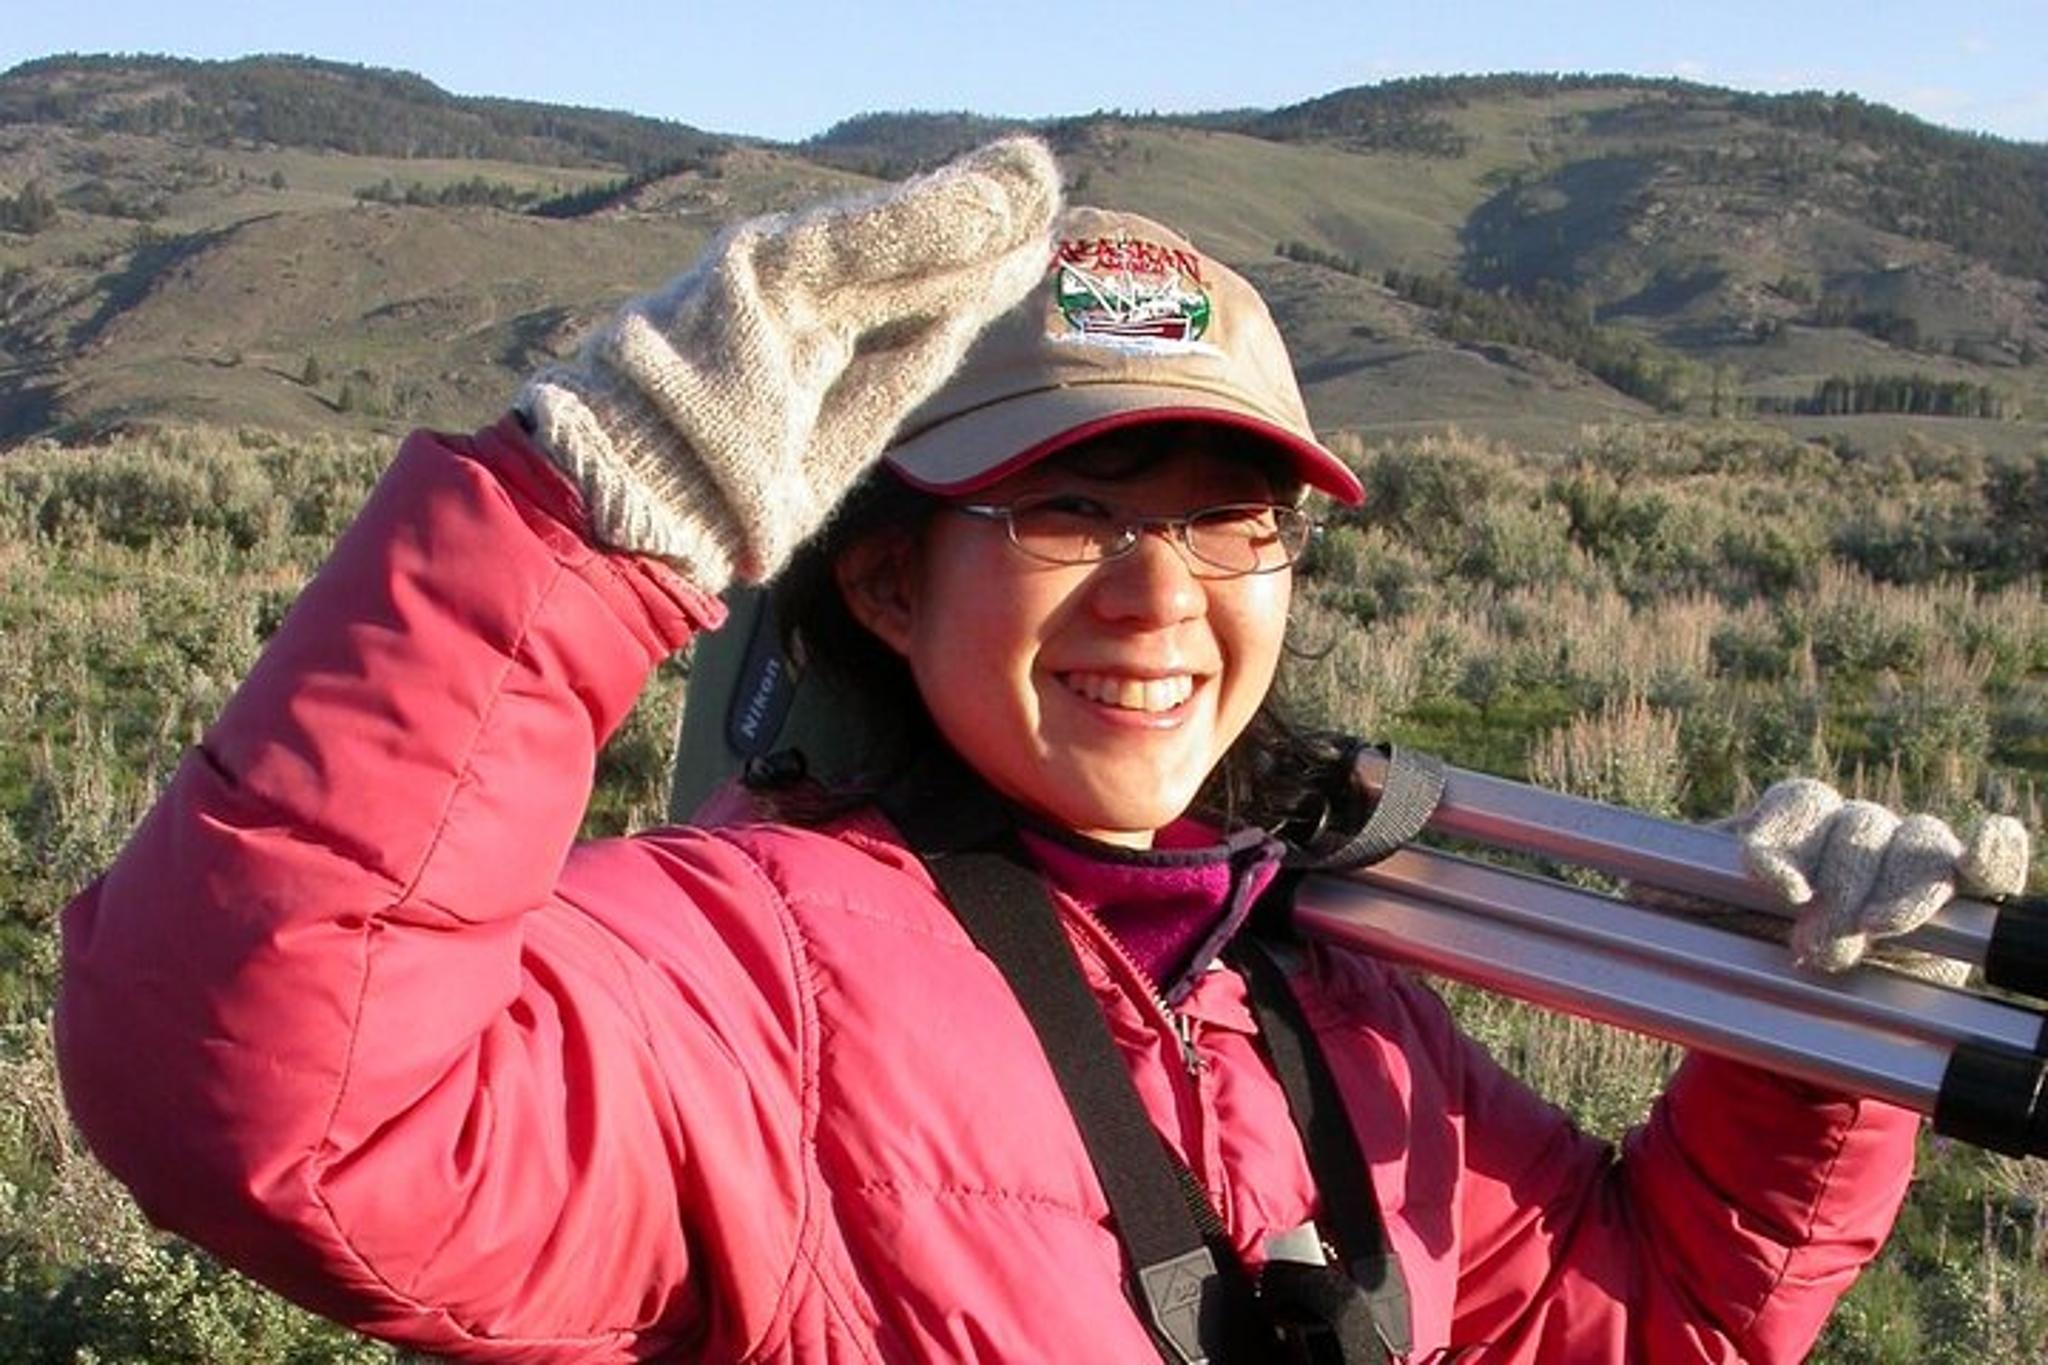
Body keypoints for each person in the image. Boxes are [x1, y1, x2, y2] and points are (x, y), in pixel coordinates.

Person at [54, 138, 2029, 1364]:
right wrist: (587, 513)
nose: (1166, 600)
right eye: (1074, 511)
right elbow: (280, 1108)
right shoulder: (733, 979)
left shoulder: (1320, 998)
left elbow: (1651, 1321)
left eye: (1232, 516)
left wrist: (1806, 1038)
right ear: (891, 582)